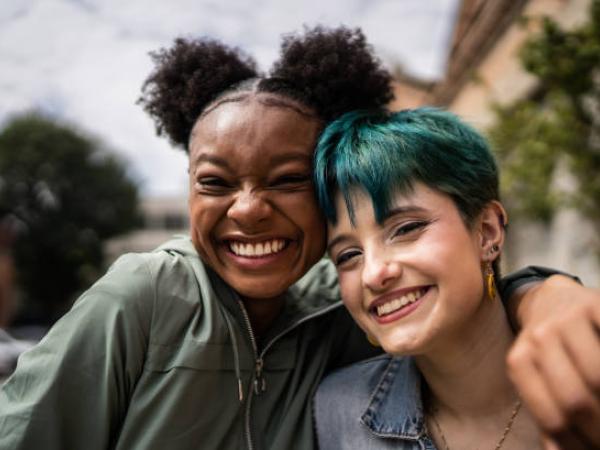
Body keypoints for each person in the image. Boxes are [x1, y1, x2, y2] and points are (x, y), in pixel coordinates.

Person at [0, 27, 598, 450]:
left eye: (286, 181)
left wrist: (548, 295)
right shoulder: (148, 292)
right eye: (214, 182)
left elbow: (459, 293)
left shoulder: (342, 310)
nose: (249, 208)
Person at [313, 108, 600, 450]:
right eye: (348, 256)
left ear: (487, 232)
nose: (374, 274)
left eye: (406, 229)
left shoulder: (587, 369)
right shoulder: (336, 413)